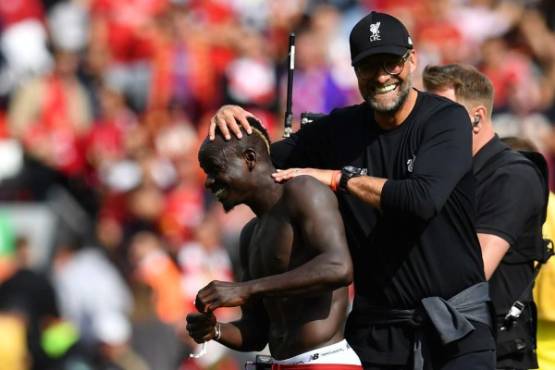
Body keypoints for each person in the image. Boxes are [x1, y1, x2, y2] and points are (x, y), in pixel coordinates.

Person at [204, 11, 495, 370]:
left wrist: (340, 178)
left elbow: (421, 200)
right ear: (355, 71)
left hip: (456, 331)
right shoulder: (340, 129)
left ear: (413, 59)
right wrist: (235, 119)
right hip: (377, 334)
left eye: (392, 62)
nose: (382, 75)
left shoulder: (445, 119)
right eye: (368, 66)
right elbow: (260, 166)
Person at [186, 117, 362, 369]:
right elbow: (257, 333)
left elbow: (338, 267)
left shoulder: (303, 191)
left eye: (215, 169)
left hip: (326, 362)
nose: (208, 182)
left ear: (249, 158)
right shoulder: (250, 234)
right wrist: (215, 330)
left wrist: (246, 289)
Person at [422, 64, 549, 370]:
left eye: (440, 115)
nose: (426, 126)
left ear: (476, 117)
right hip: (443, 347)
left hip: (498, 355)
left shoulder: (512, 175)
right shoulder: (444, 175)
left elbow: (472, 272)